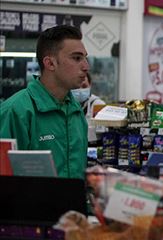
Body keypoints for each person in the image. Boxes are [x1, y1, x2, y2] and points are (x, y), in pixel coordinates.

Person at [0, 25, 88, 178]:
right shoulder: (15, 111)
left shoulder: (76, 111)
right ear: (50, 63)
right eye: (76, 58)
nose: (86, 66)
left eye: (85, 58)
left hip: (72, 202)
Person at [74, 72, 106, 143]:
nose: (80, 90)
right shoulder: (68, 104)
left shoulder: (98, 105)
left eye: (84, 86)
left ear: (90, 85)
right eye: (77, 87)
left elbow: (102, 131)